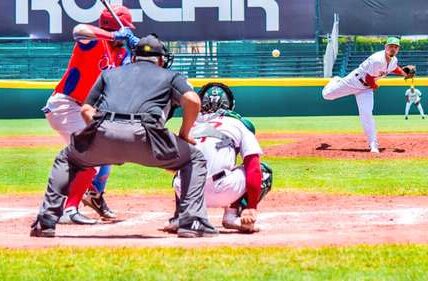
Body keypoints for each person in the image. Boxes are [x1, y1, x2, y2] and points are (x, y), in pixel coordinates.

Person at [30, 35, 217, 238]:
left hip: (104, 129)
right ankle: (190, 222)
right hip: (148, 137)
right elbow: (192, 99)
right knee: (195, 158)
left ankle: (45, 221)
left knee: (66, 158)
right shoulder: (171, 76)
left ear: (135, 57)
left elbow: (85, 110)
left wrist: (105, 135)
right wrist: (184, 133)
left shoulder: (109, 74)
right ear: (161, 60)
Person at [41, 5, 139, 224]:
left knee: (108, 153)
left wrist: (137, 49)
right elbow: (79, 30)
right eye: (125, 29)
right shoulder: (94, 40)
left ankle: (92, 195)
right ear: (114, 27)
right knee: (92, 157)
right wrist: (113, 34)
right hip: (66, 105)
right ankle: (68, 210)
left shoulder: (120, 52)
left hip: (85, 109)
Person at [163, 83, 273, 233]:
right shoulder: (239, 124)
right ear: (230, 105)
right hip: (224, 191)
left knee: (184, 167)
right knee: (263, 172)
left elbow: (170, 164)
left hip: (187, 191)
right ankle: (234, 215)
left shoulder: (191, 124)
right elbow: (253, 166)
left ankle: (181, 216)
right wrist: (251, 206)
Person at [322, 37, 415, 153]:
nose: (393, 49)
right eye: (391, 46)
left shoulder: (393, 60)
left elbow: (393, 68)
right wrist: (375, 86)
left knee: (366, 114)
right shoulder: (377, 59)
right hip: (354, 81)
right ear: (385, 47)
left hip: (365, 89)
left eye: (396, 47)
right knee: (327, 95)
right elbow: (369, 78)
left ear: (398, 50)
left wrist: (403, 73)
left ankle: (373, 144)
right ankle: (335, 79)